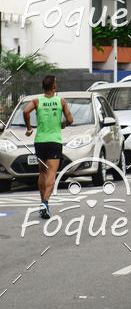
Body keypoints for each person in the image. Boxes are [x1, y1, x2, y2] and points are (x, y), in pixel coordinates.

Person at [23, 75, 73, 219]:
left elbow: (26, 111)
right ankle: (45, 202)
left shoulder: (37, 101)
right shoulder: (61, 101)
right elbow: (70, 119)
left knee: (42, 172)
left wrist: (29, 128)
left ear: (42, 88)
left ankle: (42, 203)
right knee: (52, 173)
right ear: (54, 87)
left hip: (40, 141)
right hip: (54, 141)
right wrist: (63, 124)